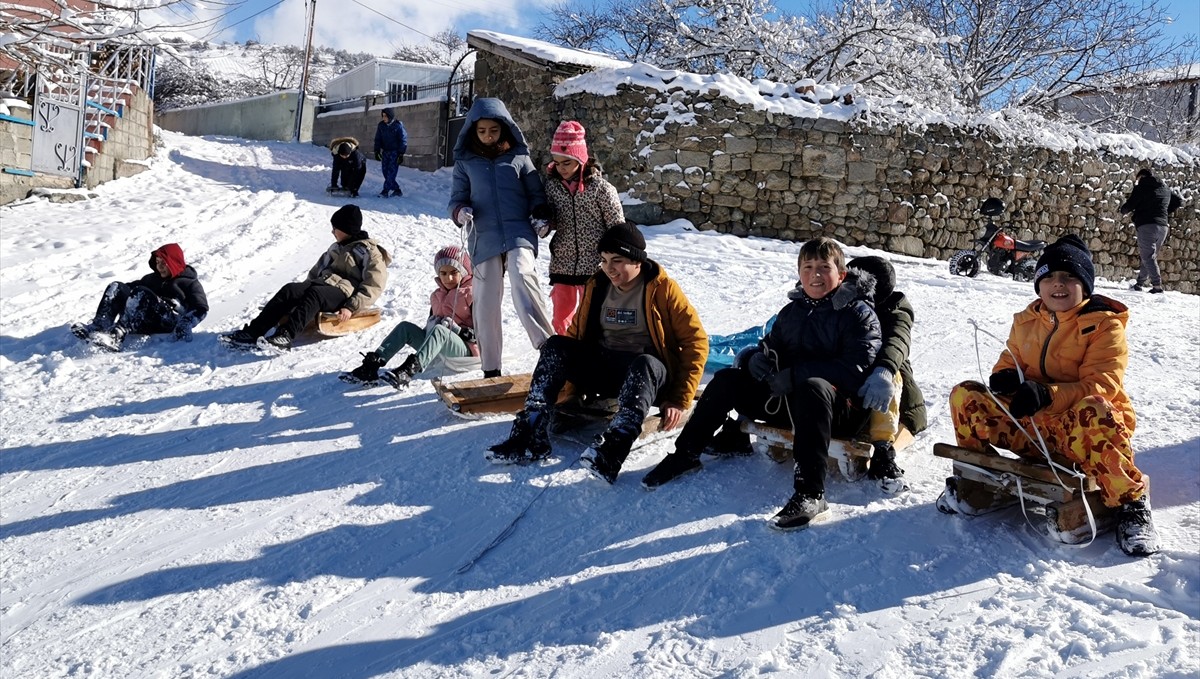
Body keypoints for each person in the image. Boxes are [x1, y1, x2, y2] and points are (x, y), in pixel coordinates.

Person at [642, 237, 881, 532]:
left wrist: (795, 375)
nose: (815, 275)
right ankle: (686, 454)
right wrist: (756, 358)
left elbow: (856, 369)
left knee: (813, 387)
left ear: (841, 275)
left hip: (838, 410)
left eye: (824, 267)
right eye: (807, 267)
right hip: (788, 402)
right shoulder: (792, 312)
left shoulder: (858, 314)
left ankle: (811, 493)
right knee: (728, 379)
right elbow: (772, 346)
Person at [943, 235, 1159, 557]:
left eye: (1069, 276)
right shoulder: (1026, 321)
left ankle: (1131, 504)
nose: (1058, 284)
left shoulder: (1104, 326)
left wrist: (1047, 394)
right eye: (1049, 276)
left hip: (1080, 433)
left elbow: (1102, 384)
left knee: (1096, 408)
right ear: (1039, 284)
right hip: (1034, 430)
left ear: (1085, 285)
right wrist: (1005, 378)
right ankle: (982, 478)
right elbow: (1009, 359)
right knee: (966, 395)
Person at [486, 222, 708, 484]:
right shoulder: (598, 285)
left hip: (645, 375)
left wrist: (679, 398)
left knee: (645, 363)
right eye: (603, 260)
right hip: (604, 367)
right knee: (556, 345)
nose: (608, 268)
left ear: (637, 261)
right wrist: (569, 391)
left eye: (617, 260)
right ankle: (531, 432)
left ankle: (613, 449)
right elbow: (577, 333)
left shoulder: (663, 289)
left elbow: (696, 341)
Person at [448, 97, 554, 378]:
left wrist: (540, 212)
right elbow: (456, 200)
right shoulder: (465, 163)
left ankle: (549, 348)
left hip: (519, 230)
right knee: (485, 298)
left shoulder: (519, 158)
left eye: (493, 130)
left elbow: (536, 195)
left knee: (522, 276)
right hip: (484, 236)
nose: (487, 136)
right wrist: (461, 212)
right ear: (473, 130)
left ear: (504, 128)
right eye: (482, 131)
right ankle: (491, 367)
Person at [223, 205, 390, 350]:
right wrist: (299, 297)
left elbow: (374, 285)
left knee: (315, 294)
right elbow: (318, 270)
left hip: (344, 294)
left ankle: (286, 336)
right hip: (322, 285)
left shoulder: (369, 252)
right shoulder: (336, 247)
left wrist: (350, 307)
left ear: (346, 229)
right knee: (291, 289)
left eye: (335, 228)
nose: (332, 231)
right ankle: (252, 332)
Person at [846, 255, 928, 494]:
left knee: (888, 381)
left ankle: (884, 448)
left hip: (895, 389)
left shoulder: (896, 307)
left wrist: (885, 369)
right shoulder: (846, 303)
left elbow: (897, 340)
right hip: (855, 378)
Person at [344, 245, 478, 389]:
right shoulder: (437, 296)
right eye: (443, 273)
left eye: (454, 272)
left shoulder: (473, 294)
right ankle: (372, 366)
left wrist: (457, 330)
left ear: (464, 272)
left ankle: (408, 371)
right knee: (405, 328)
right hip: (440, 349)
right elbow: (432, 330)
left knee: (440, 330)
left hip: (466, 352)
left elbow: (485, 335)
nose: (448, 278)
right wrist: (431, 325)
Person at [541, 120, 626, 335]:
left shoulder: (601, 189)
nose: (561, 169)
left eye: (566, 163)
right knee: (561, 315)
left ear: (580, 159)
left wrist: (615, 255)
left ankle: (594, 348)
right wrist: (544, 219)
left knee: (593, 312)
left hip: (595, 265)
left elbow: (617, 225)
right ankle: (565, 348)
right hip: (563, 262)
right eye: (557, 163)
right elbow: (551, 219)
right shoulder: (552, 187)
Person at [72, 243, 208, 351]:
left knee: (141, 292)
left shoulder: (190, 283)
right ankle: (99, 327)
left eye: (163, 263)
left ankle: (116, 337)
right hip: (143, 319)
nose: (159, 267)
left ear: (173, 262)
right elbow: (126, 289)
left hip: (167, 321)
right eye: (157, 262)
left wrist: (185, 323)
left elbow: (201, 308)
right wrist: (118, 294)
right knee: (117, 287)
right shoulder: (152, 279)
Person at [1119, 168, 1181, 293]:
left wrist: (1123, 210)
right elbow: (1178, 201)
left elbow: (1131, 204)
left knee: (1148, 256)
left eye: (1138, 179)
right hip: (1163, 227)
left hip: (1147, 225)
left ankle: (1157, 286)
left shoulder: (1142, 187)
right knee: (1150, 257)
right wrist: (1164, 212)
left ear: (1141, 177)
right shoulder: (1165, 188)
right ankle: (1140, 283)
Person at [373, 108, 408, 198]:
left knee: (391, 173)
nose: (383, 118)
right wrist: (377, 151)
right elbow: (378, 139)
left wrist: (401, 154)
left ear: (390, 116)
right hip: (385, 152)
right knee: (385, 172)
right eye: (383, 116)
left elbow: (403, 140)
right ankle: (397, 190)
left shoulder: (398, 126)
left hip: (395, 152)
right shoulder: (381, 126)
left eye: (385, 116)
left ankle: (385, 191)